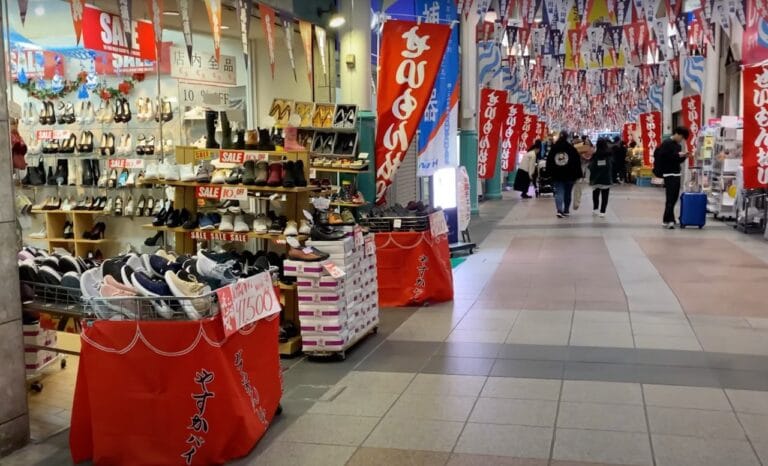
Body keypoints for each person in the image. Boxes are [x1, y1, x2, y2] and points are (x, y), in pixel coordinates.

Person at [655, 126, 692, 229]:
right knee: (670, 198)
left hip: (676, 173)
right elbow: (666, 158)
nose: (681, 140)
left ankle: (666, 219)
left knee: (674, 198)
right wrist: (677, 155)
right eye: (681, 137)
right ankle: (670, 220)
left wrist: (684, 156)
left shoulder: (678, 146)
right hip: (668, 174)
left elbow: (677, 160)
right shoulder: (666, 144)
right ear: (677, 134)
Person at [546, 130, 582, 218]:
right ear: (567, 137)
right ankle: (566, 210)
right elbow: (577, 162)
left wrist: (549, 173)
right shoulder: (571, 148)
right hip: (570, 175)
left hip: (557, 174)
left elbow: (549, 161)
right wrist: (578, 174)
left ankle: (559, 210)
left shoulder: (554, 148)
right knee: (568, 193)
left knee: (559, 192)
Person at [589, 138, 613, 217]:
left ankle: (595, 209)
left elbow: (591, 166)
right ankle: (603, 211)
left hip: (596, 178)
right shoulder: (609, 154)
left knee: (595, 194)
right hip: (606, 177)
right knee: (605, 195)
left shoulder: (595, 155)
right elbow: (611, 166)